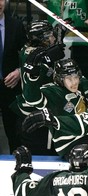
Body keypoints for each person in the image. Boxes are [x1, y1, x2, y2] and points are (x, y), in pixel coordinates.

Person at [12, 58, 88, 155]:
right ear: (60, 79)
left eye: (76, 77)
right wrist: (32, 78)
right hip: (70, 143)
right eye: (69, 79)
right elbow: (33, 99)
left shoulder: (83, 84)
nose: (74, 82)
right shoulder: (53, 91)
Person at [0, 0, 27, 154]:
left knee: (13, 132)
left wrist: (19, 71)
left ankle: (16, 167)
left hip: (10, 85)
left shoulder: (16, 25)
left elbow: (26, 55)